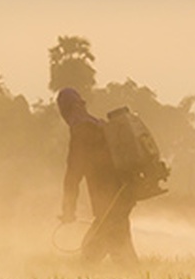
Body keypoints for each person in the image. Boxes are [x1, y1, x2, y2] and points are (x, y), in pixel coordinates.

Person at [57, 87, 138, 266]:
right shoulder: (98, 125)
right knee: (120, 248)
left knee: (91, 253)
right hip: (122, 195)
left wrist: (68, 210)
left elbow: (72, 176)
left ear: (65, 110)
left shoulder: (81, 131)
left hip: (110, 202)